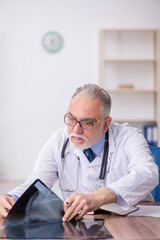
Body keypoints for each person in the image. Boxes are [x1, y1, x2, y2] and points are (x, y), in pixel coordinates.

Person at [0, 84, 159, 221]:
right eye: (71, 119)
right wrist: (10, 198)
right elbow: (36, 183)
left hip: (133, 223)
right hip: (82, 225)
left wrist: (97, 197)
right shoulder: (58, 140)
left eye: (87, 122)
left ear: (106, 124)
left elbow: (148, 173)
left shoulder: (128, 137)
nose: (76, 130)